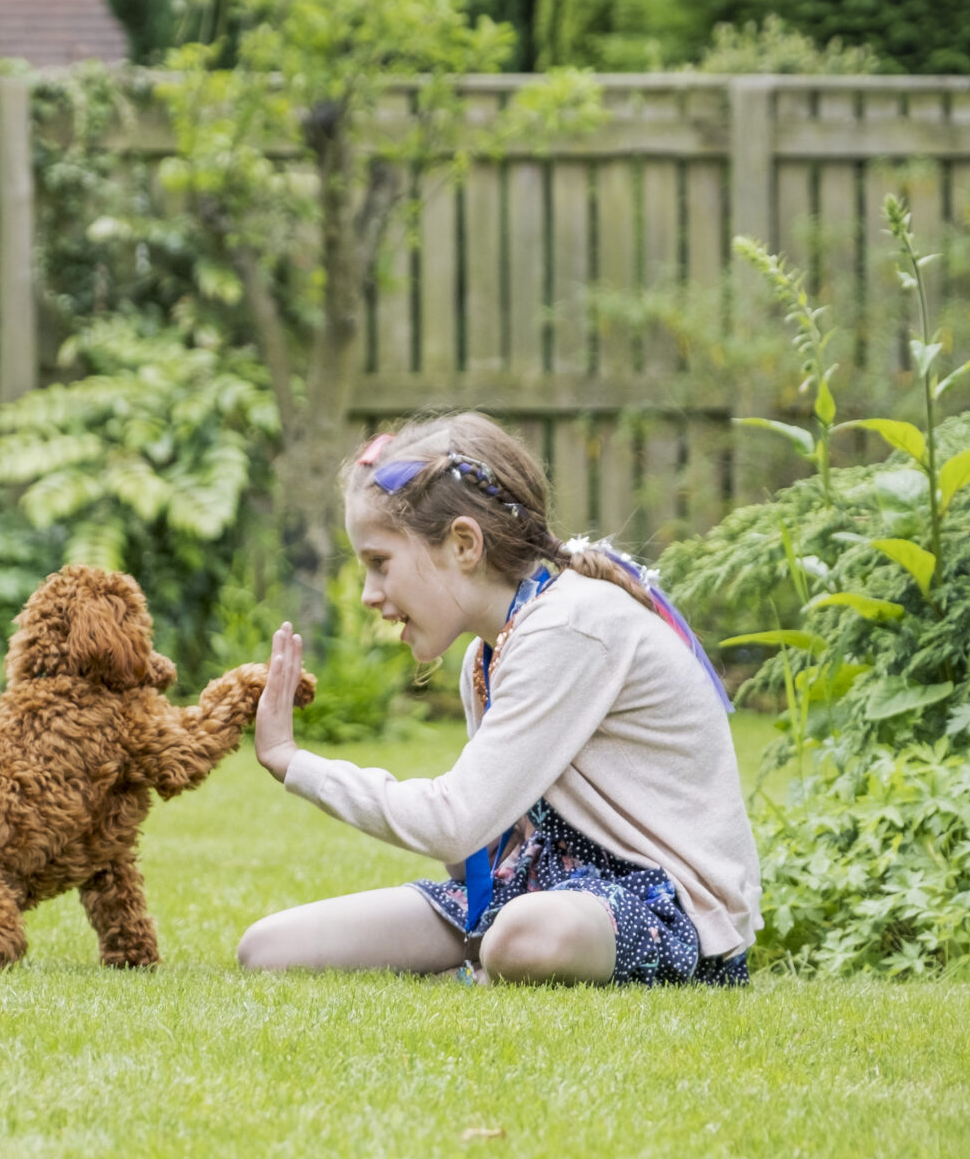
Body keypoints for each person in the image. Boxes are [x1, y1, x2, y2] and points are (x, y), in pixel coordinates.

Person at [238, 412, 760, 985]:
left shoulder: (570, 628)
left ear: (463, 544)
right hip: (537, 886)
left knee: (523, 937)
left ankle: (487, 967)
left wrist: (293, 762)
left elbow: (452, 823)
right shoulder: (486, 657)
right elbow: (472, 849)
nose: (368, 594)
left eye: (379, 563)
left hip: (663, 910)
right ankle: (486, 965)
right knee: (268, 948)